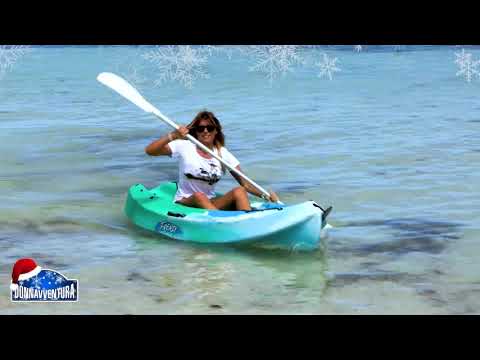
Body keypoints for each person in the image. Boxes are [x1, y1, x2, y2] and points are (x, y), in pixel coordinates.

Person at [145, 110, 279, 211]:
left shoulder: (222, 154)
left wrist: (266, 196)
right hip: (185, 202)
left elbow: (245, 184)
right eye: (200, 128)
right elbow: (150, 151)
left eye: (210, 128)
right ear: (196, 132)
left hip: (210, 203)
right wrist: (172, 135)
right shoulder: (184, 145)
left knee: (239, 191)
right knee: (199, 196)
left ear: (216, 131)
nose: (205, 131)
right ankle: (222, 224)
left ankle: (248, 223)